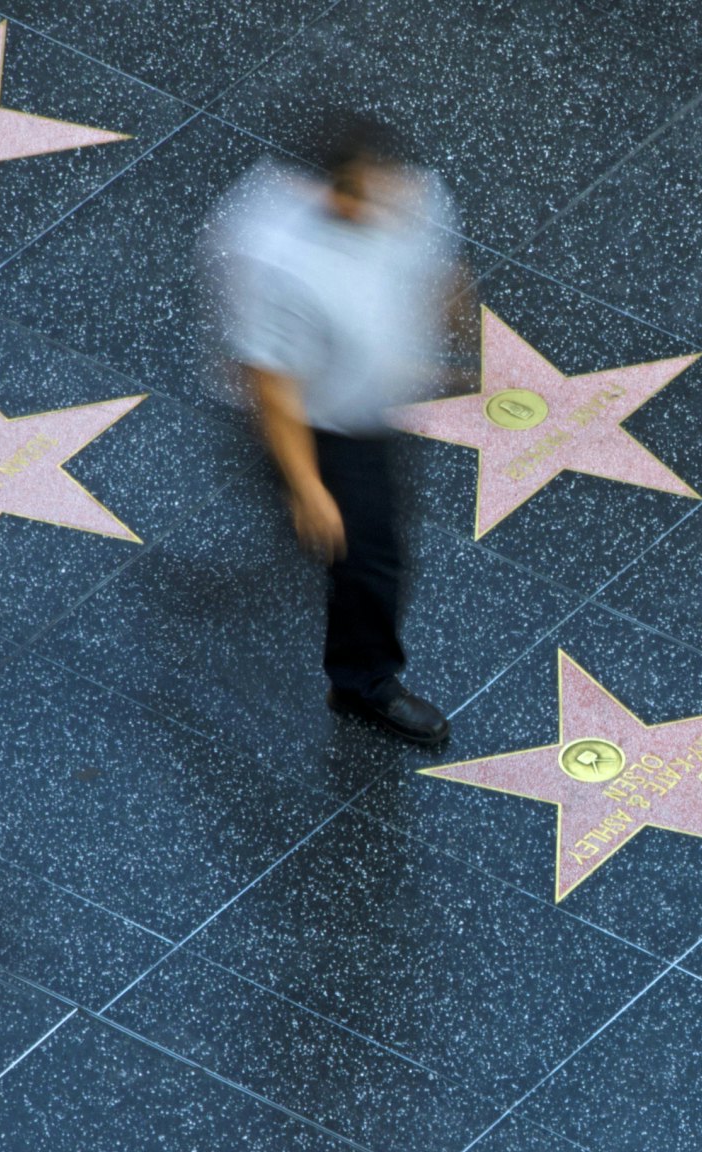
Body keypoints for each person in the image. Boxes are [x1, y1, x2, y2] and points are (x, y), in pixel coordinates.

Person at [215, 115, 458, 745]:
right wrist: (307, 486)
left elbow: (442, 274)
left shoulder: (417, 197)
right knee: (370, 558)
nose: (380, 204)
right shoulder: (275, 257)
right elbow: (271, 381)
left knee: (362, 544)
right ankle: (364, 684)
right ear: (326, 189)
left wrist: (444, 330)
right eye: (358, 193)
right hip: (324, 422)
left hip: (369, 399)